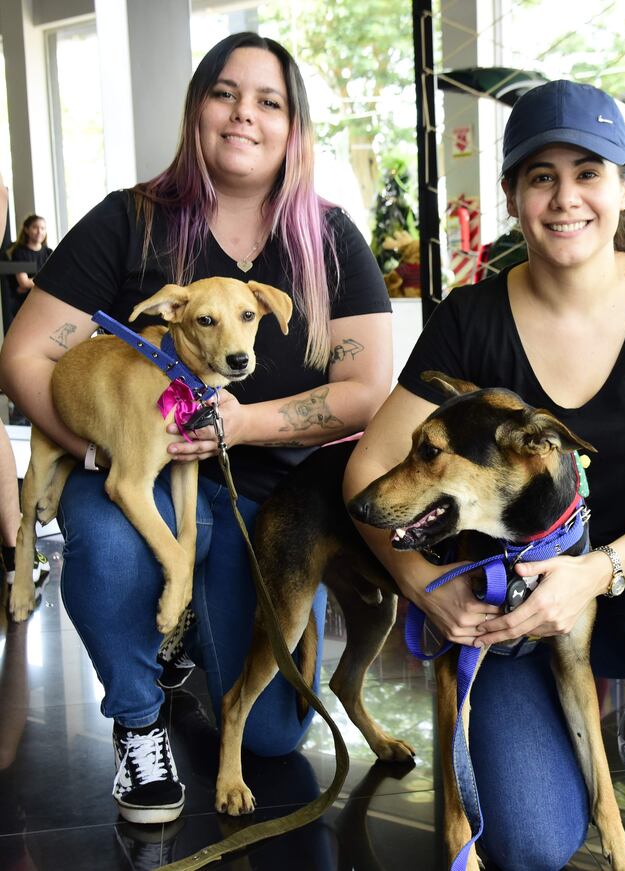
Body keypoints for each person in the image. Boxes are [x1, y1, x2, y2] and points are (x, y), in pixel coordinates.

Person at [344, 79, 625, 869]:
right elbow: (368, 463)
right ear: (511, 195)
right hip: (510, 621)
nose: (567, 197)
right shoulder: (470, 318)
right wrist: (422, 582)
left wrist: (592, 572)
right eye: (541, 176)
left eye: (589, 171)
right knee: (530, 846)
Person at [0, 32, 391, 827]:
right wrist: (94, 442)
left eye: (269, 101)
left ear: (294, 126)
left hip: (266, 503)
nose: (244, 114)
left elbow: (365, 388)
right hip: (134, 480)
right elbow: (26, 353)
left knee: (276, 738)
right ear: (197, 110)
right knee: (110, 542)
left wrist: (243, 423)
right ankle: (139, 716)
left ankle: (179, 648)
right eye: (225, 93)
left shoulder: (327, 237)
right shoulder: (130, 222)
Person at [7, 214, 52, 321]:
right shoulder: (18, 253)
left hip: (45, 302)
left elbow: (57, 278)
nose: (39, 231)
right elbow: (24, 283)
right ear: (27, 230)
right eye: (35, 227)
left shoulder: (49, 252)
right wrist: (47, 282)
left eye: (42, 228)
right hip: (24, 304)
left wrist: (31, 283)